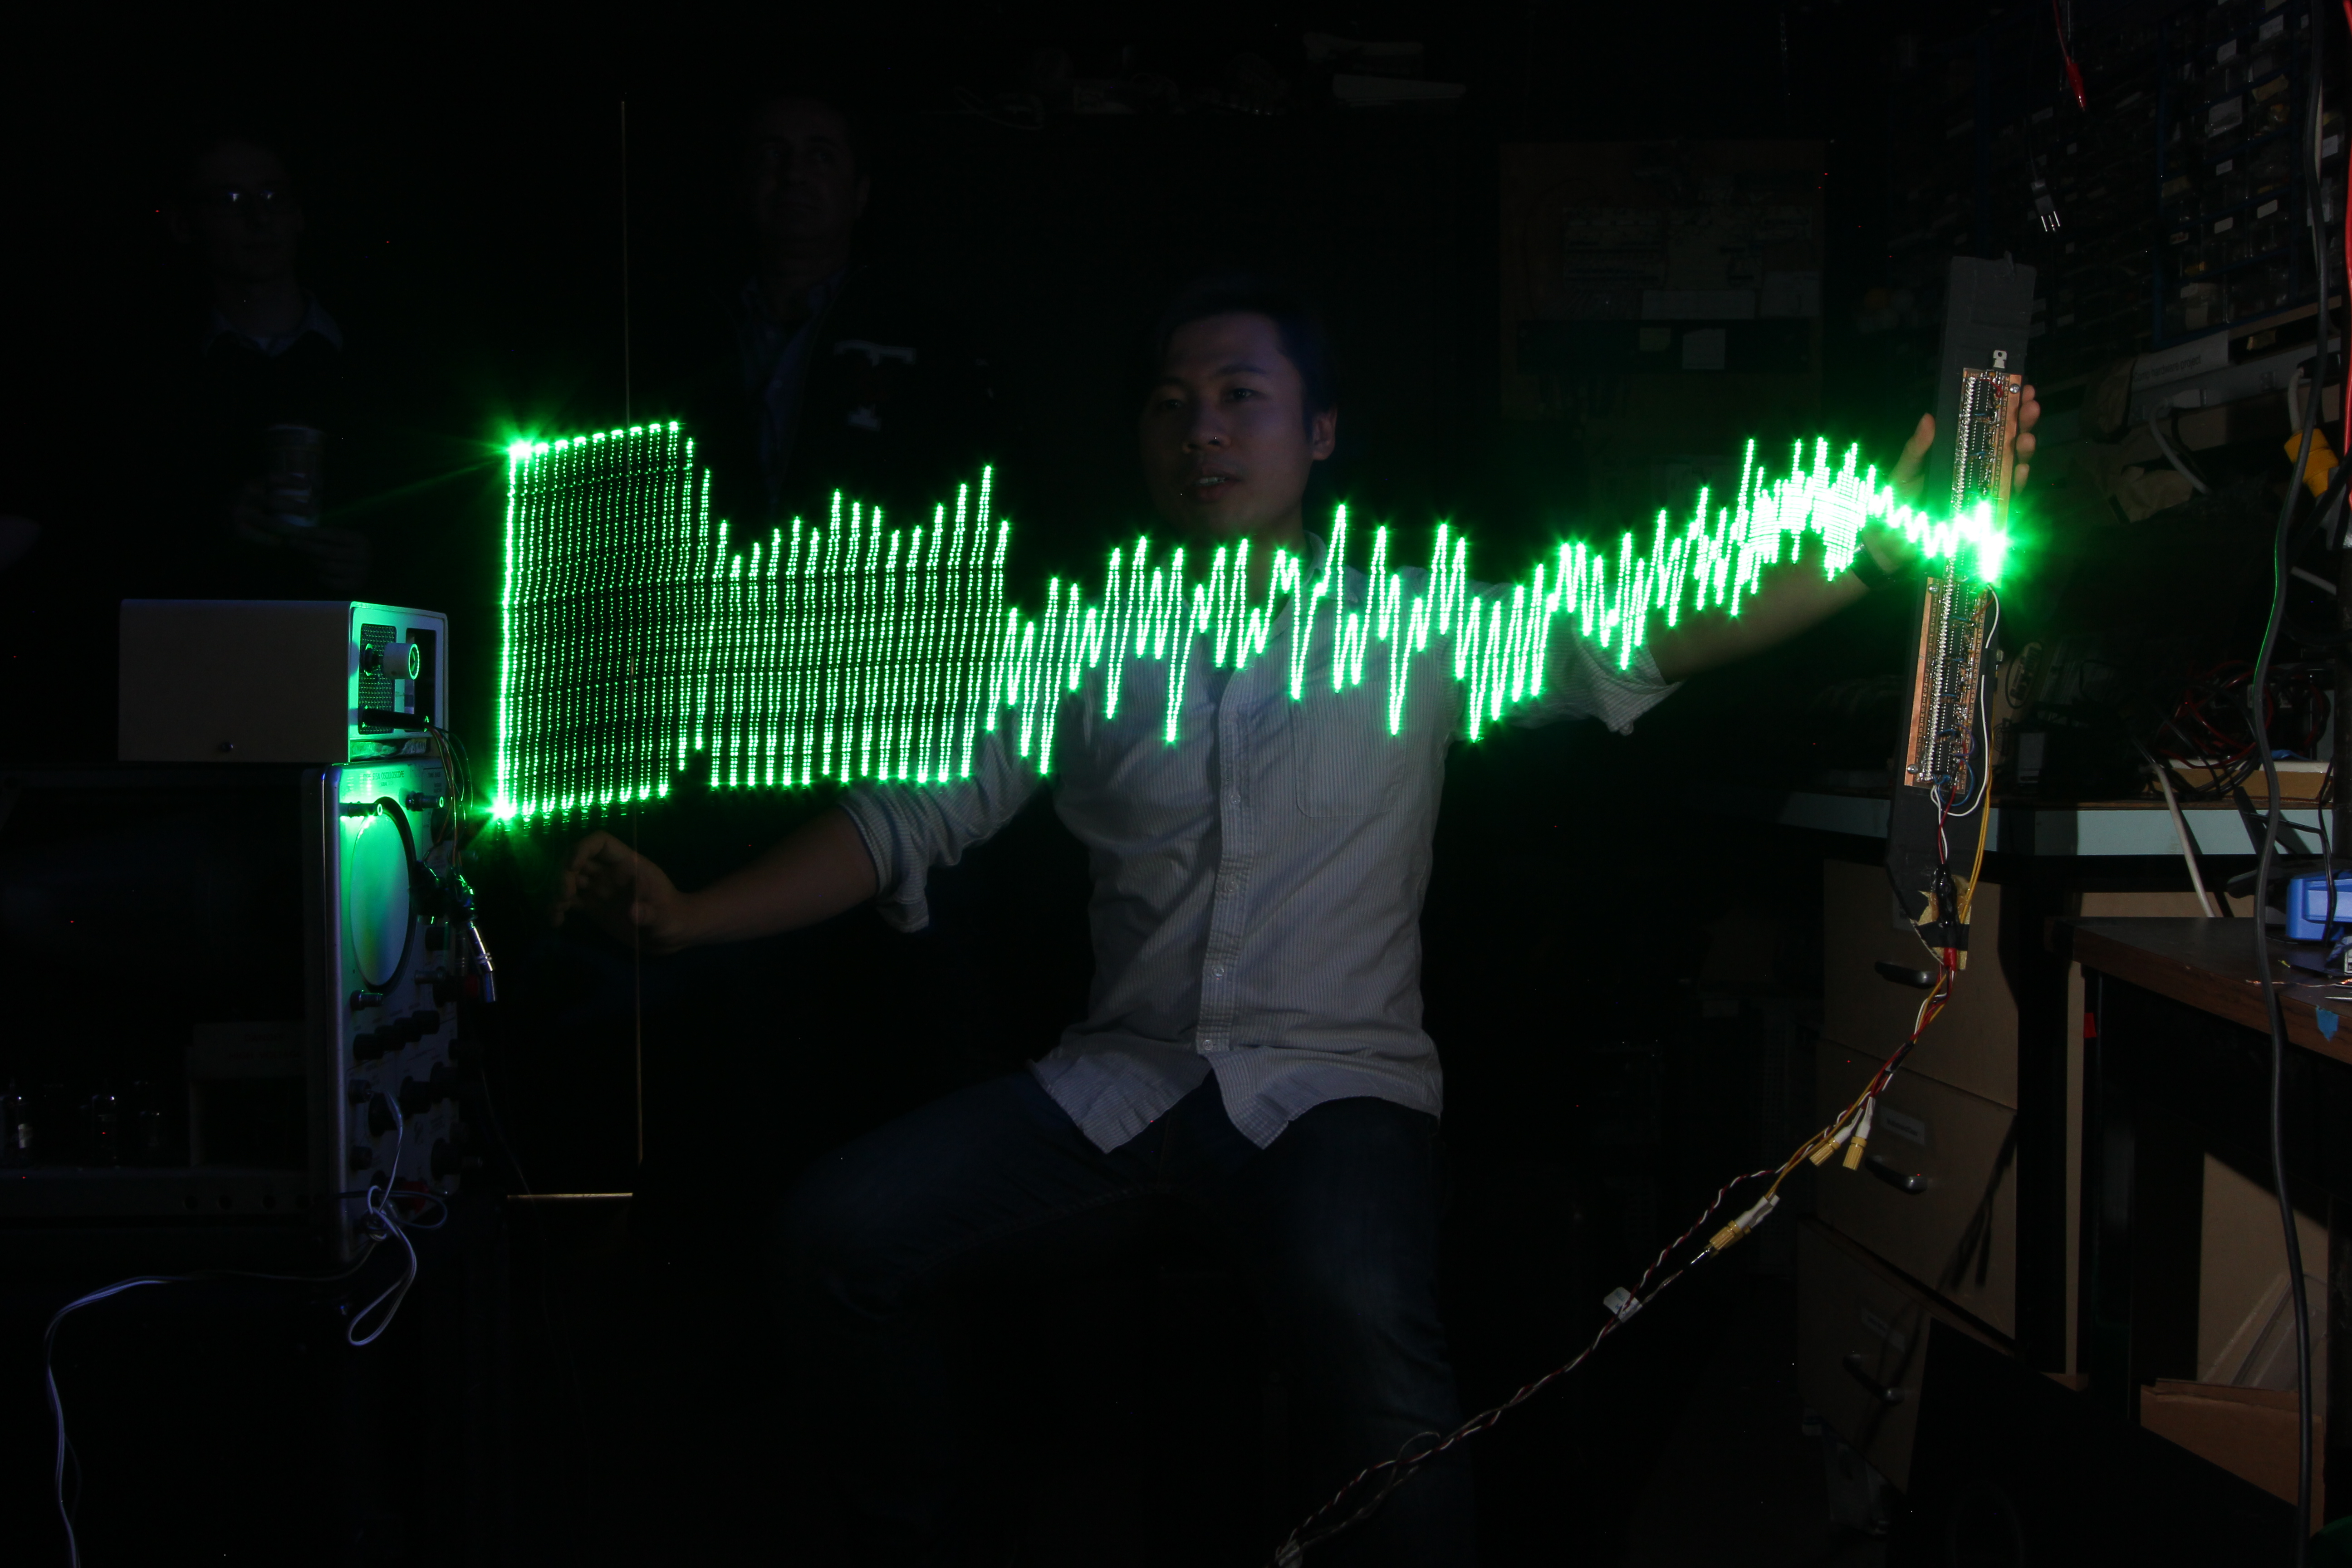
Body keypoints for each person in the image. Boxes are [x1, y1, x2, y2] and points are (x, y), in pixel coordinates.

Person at [554, 276, 2039, 1562]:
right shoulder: (1083, 645)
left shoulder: (1417, 619)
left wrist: (1865, 551)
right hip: (1117, 1088)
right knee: (836, 1233)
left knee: (1364, 1327)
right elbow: (901, 821)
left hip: (1336, 1092)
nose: (1199, 427)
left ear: (1318, 433)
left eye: (1239, 397)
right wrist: (690, 913)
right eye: (1170, 402)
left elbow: (1642, 633)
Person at [647, 89, 995, 533]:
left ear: (860, 194)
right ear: (742, 185)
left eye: (821, 156)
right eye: (773, 154)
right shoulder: (674, 337)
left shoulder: (929, 342)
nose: (794, 175)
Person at [161, 130, 372, 598]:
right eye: (230, 200)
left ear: (299, 214)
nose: (260, 218)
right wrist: (212, 527)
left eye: (273, 196)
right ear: (183, 224)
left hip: (340, 636)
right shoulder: (154, 378)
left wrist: (375, 563)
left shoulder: (380, 363)